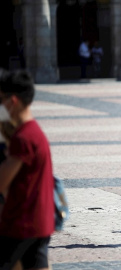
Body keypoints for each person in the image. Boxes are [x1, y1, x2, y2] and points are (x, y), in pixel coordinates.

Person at [0, 70, 55, 270]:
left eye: (1, 100)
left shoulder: (23, 138)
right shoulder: (35, 132)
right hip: (40, 223)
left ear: (12, 101)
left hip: (20, 225)